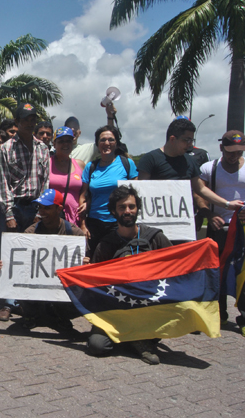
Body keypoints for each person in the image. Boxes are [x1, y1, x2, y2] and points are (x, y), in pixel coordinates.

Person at [87, 185, 172, 365]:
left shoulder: (155, 238)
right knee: (97, 346)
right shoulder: (106, 244)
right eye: (122, 207)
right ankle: (133, 338)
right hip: (116, 309)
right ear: (113, 211)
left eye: (131, 207)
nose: (127, 211)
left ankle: (134, 337)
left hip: (148, 307)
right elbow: (96, 284)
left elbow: (176, 266)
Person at [137, 119, 243, 216]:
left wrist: (226, 204)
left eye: (192, 140)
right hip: (155, 217)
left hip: (182, 220)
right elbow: (142, 190)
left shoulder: (189, 161)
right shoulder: (150, 159)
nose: (190, 145)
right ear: (173, 139)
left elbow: (200, 188)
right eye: (187, 140)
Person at [16, 189, 85, 329]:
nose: (41, 212)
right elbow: (19, 261)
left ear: (59, 209)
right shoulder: (31, 232)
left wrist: (85, 264)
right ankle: (33, 314)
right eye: (40, 207)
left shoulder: (74, 233)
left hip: (62, 286)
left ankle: (59, 315)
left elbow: (80, 265)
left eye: (47, 208)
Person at [199, 130, 245, 326]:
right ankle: (219, 312)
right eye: (230, 152)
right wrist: (209, 215)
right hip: (219, 228)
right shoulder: (209, 168)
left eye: (239, 152)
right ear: (221, 148)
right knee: (217, 271)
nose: (234, 156)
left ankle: (243, 315)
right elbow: (198, 193)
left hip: (243, 229)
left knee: (243, 272)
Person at [78, 126, 138, 258]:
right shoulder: (91, 167)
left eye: (111, 140)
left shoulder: (127, 164)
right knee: (96, 262)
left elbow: (136, 195)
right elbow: (83, 195)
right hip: (95, 223)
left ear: (116, 143)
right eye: (102, 140)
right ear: (97, 144)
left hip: (119, 223)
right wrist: (83, 225)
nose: (107, 143)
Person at [0, 102, 49, 233]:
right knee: (9, 251)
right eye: (25, 120)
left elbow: (45, 181)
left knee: (33, 250)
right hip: (14, 207)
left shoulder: (43, 148)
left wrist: (40, 212)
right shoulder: (6, 148)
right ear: (17, 121)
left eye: (33, 120)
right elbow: (2, 183)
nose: (30, 124)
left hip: (35, 207)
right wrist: (8, 214)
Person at [49, 126, 85, 226]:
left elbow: (86, 193)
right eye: (61, 141)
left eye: (68, 141)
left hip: (75, 220)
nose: (65, 144)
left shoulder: (80, 165)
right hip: (52, 220)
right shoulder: (46, 164)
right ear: (54, 144)